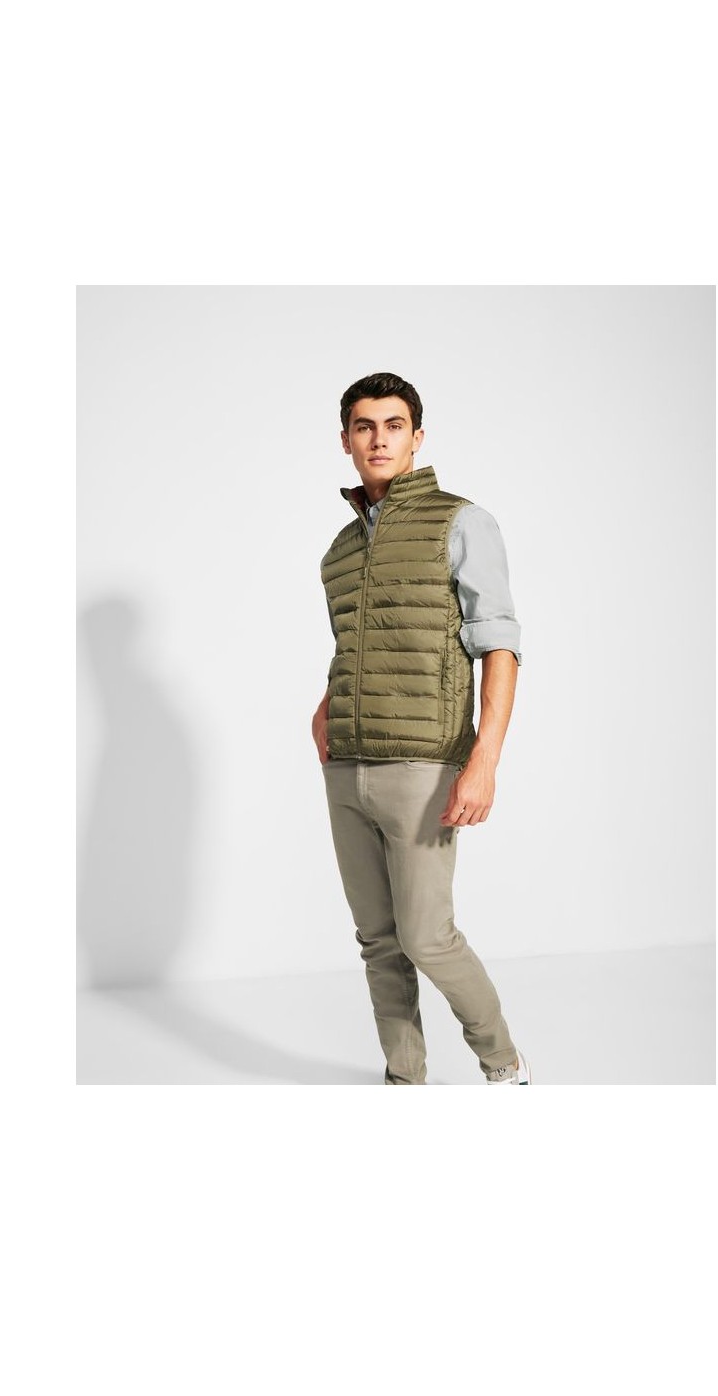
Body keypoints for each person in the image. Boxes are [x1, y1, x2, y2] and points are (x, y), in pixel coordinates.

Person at [312, 371, 531, 1086]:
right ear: (346, 439)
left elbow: (499, 645)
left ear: (417, 437)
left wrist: (483, 760)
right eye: (365, 426)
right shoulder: (340, 551)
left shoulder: (460, 522)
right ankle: (404, 1080)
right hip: (347, 764)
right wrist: (326, 704)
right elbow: (359, 643)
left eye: (394, 425)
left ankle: (504, 1065)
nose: (379, 439)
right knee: (378, 940)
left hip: (423, 764)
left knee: (426, 937)